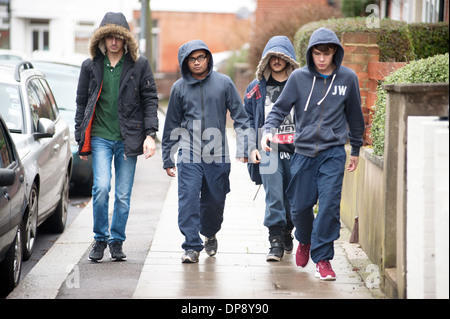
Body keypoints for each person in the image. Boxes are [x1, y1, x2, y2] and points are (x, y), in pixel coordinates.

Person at [261, 27, 365, 280]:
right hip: (303, 152)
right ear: (311, 53)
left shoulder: (348, 79)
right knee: (299, 208)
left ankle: (323, 259)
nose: (321, 59)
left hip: (333, 152)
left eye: (326, 54)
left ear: (335, 54)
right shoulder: (299, 78)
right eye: (317, 53)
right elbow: (279, 108)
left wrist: (356, 149)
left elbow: (355, 115)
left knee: (329, 206)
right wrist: (267, 130)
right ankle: (304, 240)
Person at [75, 12, 158, 262]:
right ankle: (100, 239)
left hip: (128, 138)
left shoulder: (139, 65)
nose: (113, 41)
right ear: (102, 39)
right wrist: (81, 136)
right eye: (109, 36)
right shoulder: (90, 66)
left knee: (123, 195)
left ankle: (117, 240)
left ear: (125, 40)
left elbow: (150, 99)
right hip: (100, 136)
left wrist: (150, 135)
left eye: (118, 37)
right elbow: (81, 103)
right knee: (101, 188)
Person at [162, 40, 252, 263]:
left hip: (217, 153)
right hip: (188, 152)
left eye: (201, 57)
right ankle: (191, 246)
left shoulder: (224, 83)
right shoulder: (179, 88)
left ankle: (210, 233)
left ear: (208, 58)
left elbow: (241, 118)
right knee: (188, 200)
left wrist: (244, 147)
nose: (197, 62)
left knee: (214, 203)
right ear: (185, 62)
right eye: (192, 59)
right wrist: (167, 156)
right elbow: (171, 124)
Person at [244, 36, 299, 262]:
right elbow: (247, 119)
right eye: (272, 57)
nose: (277, 61)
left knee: (294, 199)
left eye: (281, 56)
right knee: (274, 196)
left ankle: (288, 229)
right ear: (266, 60)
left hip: (297, 152)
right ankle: (275, 241)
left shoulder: (300, 83)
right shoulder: (255, 88)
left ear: (289, 59)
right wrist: (251, 147)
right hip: (268, 150)